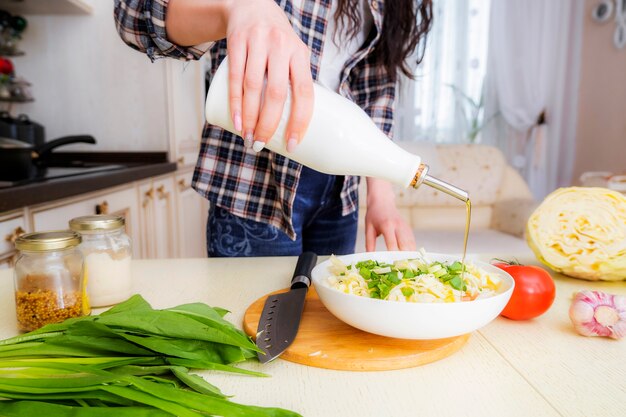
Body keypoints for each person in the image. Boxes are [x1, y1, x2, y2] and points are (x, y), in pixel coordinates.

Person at [114, 0, 432, 257]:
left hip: (339, 191)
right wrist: (236, 8)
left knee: (324, 325)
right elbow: (133, 15)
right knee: (255, 326)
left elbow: (374, 90)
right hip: (253, 183)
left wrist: (381, 196)